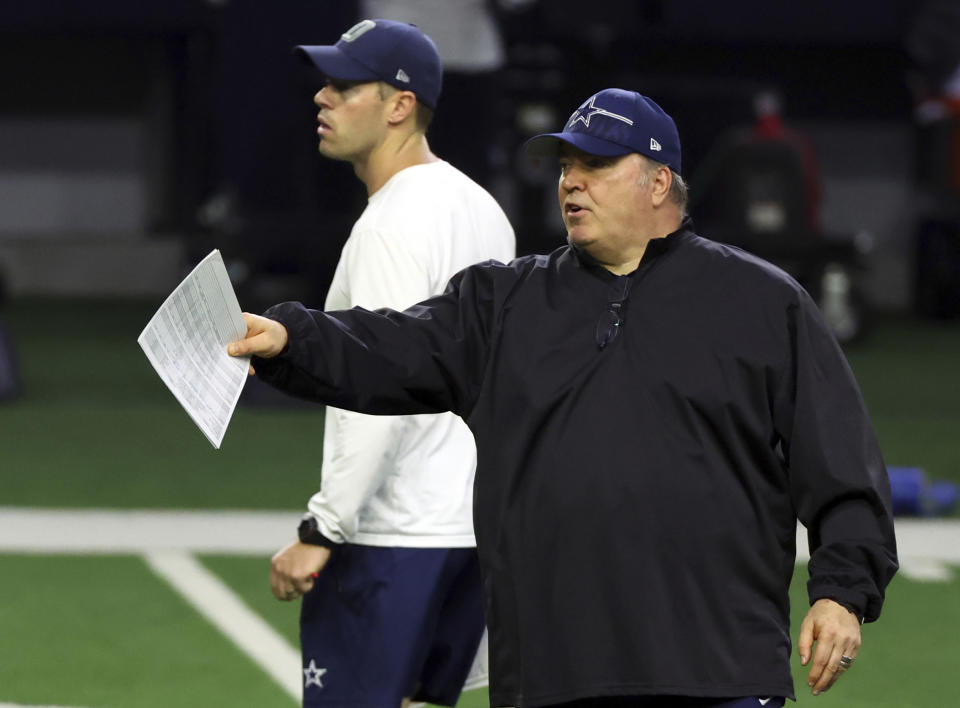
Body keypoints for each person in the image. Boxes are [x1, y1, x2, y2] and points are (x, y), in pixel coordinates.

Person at [230, 88, 898, 708]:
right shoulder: (503, 304)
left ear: (659, 181)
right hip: (553, 677)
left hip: (715, 670)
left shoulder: (762, 303)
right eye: (566, 165)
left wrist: (842, 591)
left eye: (597, 165)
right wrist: (292, 338)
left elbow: (841, 465)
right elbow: (387, 346)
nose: (571, 181)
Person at [270, 19, 515, 708]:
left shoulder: (390, 225)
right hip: (472, 531)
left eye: (344, 86)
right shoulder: (481, 208)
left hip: (396, 535)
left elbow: (380, 388)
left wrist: (324, 528)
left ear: (399, 105)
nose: (322, 98)